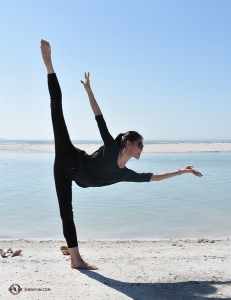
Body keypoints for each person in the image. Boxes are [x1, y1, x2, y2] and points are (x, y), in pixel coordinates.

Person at [40, 39, 203, 270]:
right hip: (69, 158)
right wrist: (88, 90)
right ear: (128, 144)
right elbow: (98, 115)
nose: (142, 148)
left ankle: (75, 261)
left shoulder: (125, 174)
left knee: (67, 215)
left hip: (70, 176)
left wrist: (181, 171)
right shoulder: (110, 146)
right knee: (56, 108)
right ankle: (48, 63)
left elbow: (154, 177)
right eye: (140, 144)